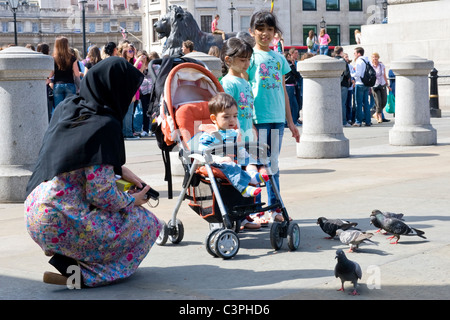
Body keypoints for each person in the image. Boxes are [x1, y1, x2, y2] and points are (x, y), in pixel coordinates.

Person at [25, 57, 162, 288]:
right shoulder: (104, 124)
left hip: (35, 212)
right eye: (129, 91)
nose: (131, 98)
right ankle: (87, 276)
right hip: (60, 219)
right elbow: (102, 195)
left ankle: (73, 259)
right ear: (114, 88)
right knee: (148, 224)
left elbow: (76, 156)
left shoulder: (69, 106)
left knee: (108, 217)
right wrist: (133, 201)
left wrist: (118, 168)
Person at [246, 10, 300, 222]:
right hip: (258, 120)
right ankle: (257, 208)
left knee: (273, 165)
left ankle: (275, 207)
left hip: (277, 119)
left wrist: (291, 122)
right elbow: (244, 91)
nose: (265, 33)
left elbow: (283, 92)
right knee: (257, 165)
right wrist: (248, 121)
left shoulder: (279, 58)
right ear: (252, 32)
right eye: (261, 29)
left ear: (275, 33)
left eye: (269, 30)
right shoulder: (249, 58)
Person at [220, 38, 265, 229]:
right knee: (240, 177)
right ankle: (239, 217)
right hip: (236, 137)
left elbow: (248, 107)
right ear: (228, 60)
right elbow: (227, 112)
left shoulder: (244, 80)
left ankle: (247, 215)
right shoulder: (228, 83)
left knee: (248, 174)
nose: (247, 64)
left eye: (248, 60)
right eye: (242, 60)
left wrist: (252, 125)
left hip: (247, 135)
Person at [198, 93, 269, 199]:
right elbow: (203, 153)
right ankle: (244, 188)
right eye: (226, 117)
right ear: (214, 118)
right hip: (217, 163)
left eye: (235, 116)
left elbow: (239, 148)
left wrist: (247, 156)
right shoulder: (209, 135)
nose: (232, 120)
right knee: (230, 166)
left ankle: (252, 175)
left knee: (251, 159)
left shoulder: (233, 133)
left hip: (234, 159)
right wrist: (219, 159)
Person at [48, 37, 81, 116]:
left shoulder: (53, 58)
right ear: (67, 45)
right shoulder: (72, 58)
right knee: (70, 110)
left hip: (57, 85)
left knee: (59, 110)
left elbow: (50, 75)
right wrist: (79, 86)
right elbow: (76, 74)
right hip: (70, 84)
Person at [138, 51, 160, 137]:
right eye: (140, 57)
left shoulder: (152, 65)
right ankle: (145, 129)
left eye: (143, 56)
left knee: (153, 111)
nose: (142, 59)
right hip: (143, 91)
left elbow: (158, 72)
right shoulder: (140, 66)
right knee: (145, 111)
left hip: (152, 91)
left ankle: (153, 129)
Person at [351, 47, 371, 127]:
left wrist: (352, 74)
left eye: (355, 53)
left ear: (359, 53)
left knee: (358, 104)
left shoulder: (359, 61)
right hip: (366, 84)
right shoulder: (367, 60)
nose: (354, 54)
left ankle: (358, 121)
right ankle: (368, 121)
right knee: (366, 103)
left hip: (359, 83)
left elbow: (358, 73)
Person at [334, 46, 352, 126]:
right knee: (342, 103)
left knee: (335, 103)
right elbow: (347, 74)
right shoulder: (343, 61)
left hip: (334, 84)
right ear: (341, 52)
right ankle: (343, 122)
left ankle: (336, 121)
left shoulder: (332, 60)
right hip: (343, 84)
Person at [370, 52, 391, 123]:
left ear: (378, 58)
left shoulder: (381, 65)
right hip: (375, 85)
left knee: (384, 101)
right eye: (373, 57)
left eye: (376, 57)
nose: (375, 58)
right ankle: (380, 118)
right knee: (378, 102)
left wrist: (387, 85)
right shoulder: (370, 66)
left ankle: (376, 113)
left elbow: (384, 75)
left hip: (382, 84)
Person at [284, 50, 301, 127]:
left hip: (291, 85)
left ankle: (293, 121)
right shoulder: (290, 65)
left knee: (294, 105)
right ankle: (288, 122)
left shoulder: (290, 64)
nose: (297, 55)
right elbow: (297, 74)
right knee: (290, 105)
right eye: (295, 53)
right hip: (289, 86)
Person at [37, 43, 53, 122]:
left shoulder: (35, 59)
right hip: (46, 84)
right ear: (47, 50)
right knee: (48, 108)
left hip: (37, 85)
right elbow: (50, 74)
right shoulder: (49, 59)